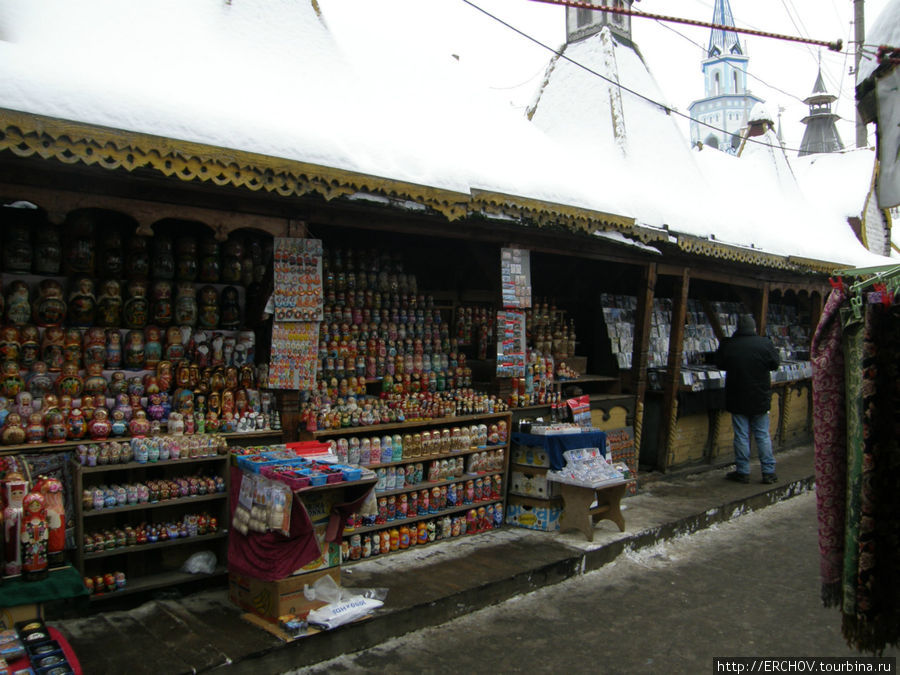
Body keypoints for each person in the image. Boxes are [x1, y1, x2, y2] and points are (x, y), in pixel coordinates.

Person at [714, 313, 781, 484]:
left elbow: (720, 363)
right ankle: (768, 471)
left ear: (738, 327)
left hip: (737, 396)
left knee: (741, 435)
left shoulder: (729, 344)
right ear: (753, 328)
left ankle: (743, 471)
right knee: (762, 435)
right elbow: (775, 364)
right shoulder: (764, 344)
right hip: (759, 396)